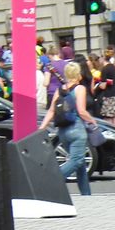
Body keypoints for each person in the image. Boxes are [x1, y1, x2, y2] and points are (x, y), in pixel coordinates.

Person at [39, 61, 95, 196]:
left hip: (63, 131)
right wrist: (92, 121)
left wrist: (42, 127)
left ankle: (86, 194)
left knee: (81, 165)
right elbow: (81, 111)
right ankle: (52, 180)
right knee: (77, 161)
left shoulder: (60, 89)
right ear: (78, 74)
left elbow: (52, 110)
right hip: (76, 129)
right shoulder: (80, 88)